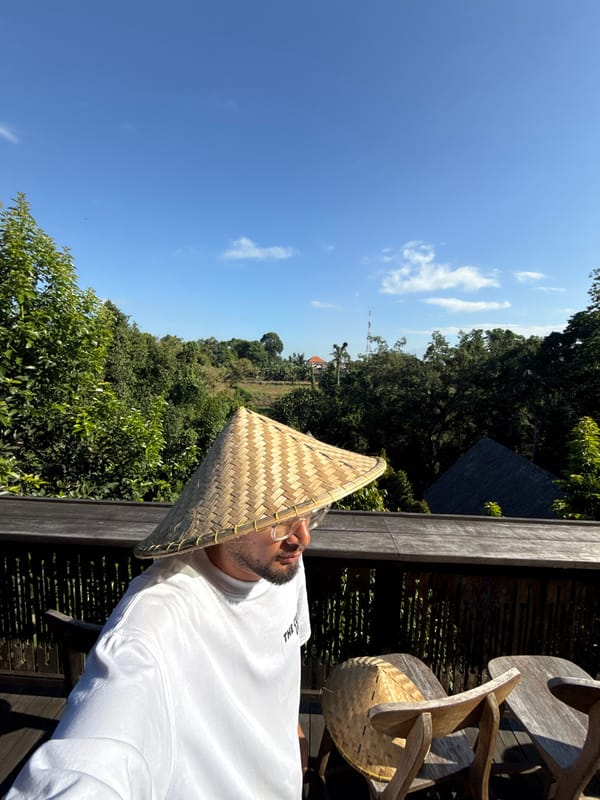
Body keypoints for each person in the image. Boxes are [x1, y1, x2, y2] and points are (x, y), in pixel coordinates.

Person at [8, 407, 385, 800]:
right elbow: (95, 753)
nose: (302, 538)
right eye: (281, 521)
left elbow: (284, 652)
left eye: (310, 513)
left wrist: (290, 727)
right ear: (225, 525)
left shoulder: (283, 564)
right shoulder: (157, 617)